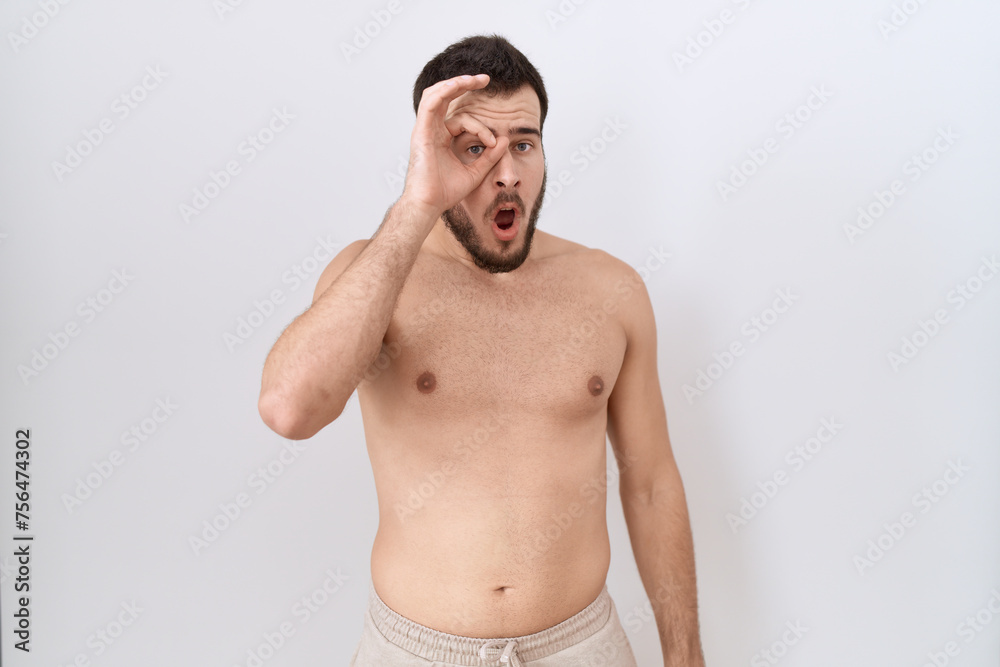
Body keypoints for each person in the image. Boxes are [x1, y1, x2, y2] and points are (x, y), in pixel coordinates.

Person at [258, 34, 705, 666]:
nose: (506, 172)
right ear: (429, 154)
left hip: (582, 648)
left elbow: (653, 483)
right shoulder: (374, 276)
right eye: (474, 147)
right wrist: (417, 205)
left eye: (524, 142)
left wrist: (686, 658)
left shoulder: (612, 289)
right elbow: (288, 409)